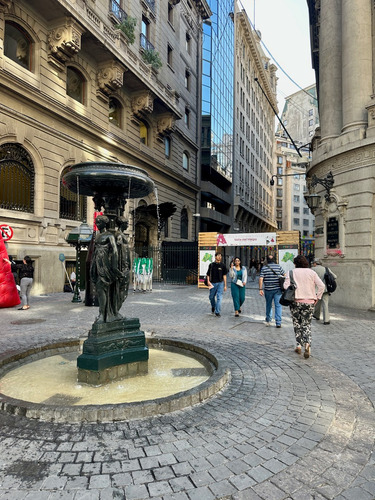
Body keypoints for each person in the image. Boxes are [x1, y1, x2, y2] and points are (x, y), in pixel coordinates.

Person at [284, 255, 325, 358]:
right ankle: (307, 344)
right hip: (309, 302)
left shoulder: (291, 272)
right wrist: (317, 297)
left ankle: (298, 345)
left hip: (295, 301)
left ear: (295, 263)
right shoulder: (312, 272)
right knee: (306, 324)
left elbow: (285, 286)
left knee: (297, 323)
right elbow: (322, 286)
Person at [90, 215, 123, 323]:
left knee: (101, 289)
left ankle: (103, 314)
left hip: (105, 265)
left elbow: (114, 252)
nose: (97, 224)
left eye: (98, 222)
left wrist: (114, 267)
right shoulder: (98, 236)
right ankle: (105, 314)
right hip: (97, 264)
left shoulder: (109, 236)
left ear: (104, 223)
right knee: (100, 289)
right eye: (96, 222)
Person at [259, 255, 285, 328]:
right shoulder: (278, 267)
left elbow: (261, 278)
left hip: (268, 289)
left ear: (266, 260)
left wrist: (260, 289)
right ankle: (278, 322)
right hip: (278, 289)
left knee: (269, 304)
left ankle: (268, 319)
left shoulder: (264, 268)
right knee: (278, 305)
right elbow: (284, 275)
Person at [312, 258, 337, 325]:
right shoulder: (326, 269)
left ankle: (316, 315)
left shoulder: (313, 269)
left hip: (316, 289)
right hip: (325, 289)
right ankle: (326, 320)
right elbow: (335, 276)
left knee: (317, 302)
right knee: (325, 304)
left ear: (315, 263)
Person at [206, 252, 227, 317]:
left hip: (220, 283)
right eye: (218, 256)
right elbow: (208, 274)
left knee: (219, 297)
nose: (220, 257)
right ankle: (213, 306)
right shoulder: (211, 265)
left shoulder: (223, 265)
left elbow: (224, 276)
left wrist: (225, 285)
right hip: (212, 283)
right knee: (211, 297)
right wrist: (208, 281)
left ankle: (217, 312)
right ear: (215, 257)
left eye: (220, 256)